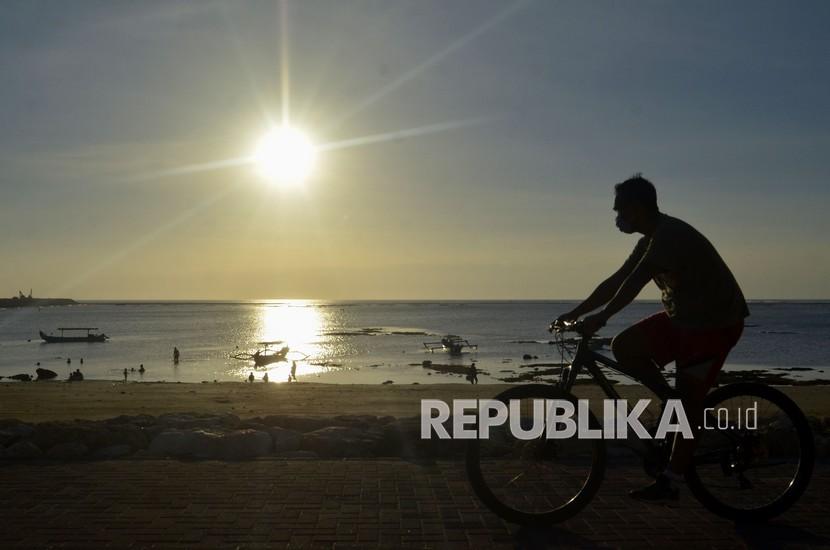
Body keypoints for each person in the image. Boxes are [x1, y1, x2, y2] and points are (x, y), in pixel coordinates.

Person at [551, 174, 749, 501]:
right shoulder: (649, 240)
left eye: (620, 211)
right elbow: (616, 281)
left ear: (637, 208)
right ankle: (673, 403)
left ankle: (671, 480)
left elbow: (635, 284)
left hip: (714, 324)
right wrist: (575, 312)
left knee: (687, 405)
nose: (616, 218)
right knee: (625, 346)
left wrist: (600, 318)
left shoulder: (669, 235)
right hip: (684, 319)